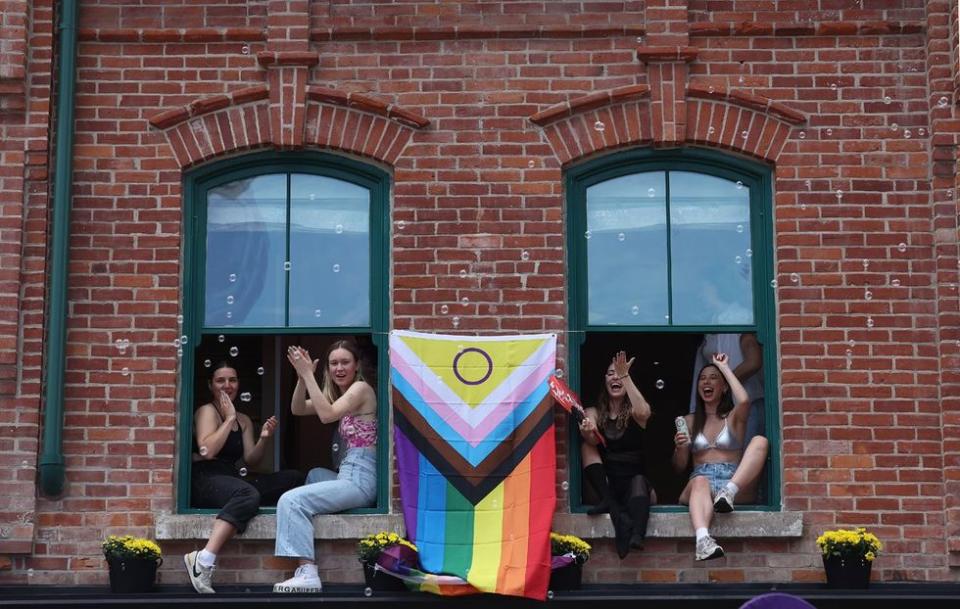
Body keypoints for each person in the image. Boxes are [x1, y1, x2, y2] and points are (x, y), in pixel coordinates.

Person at [184, 363, 305, 594]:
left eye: (233, 380)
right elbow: (207, 451)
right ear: (211, 384)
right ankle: (203, 560)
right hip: (205, 478)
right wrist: (228, 419)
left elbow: (251, 461)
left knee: (294, 478)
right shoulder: (207, 411)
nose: (227, 385)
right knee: (248, 493)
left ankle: (247, 507)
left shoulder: (244, 419)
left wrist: (264, 438)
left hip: (231, 480)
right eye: (220, 380)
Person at [272, 339, 378, 593]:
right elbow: (297, 409)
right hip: (347, 474)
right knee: (314, 475)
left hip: (360, 478)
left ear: (356, 366)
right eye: (333, 363)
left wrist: (309, 374)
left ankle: (308, 571)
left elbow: (327, 414)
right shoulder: (341, 395)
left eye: (345, 362)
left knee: (291, 501)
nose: (339, 368)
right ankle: (307, 526)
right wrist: (301, 377)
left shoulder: (361, 389)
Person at [673, 353, 769, 561]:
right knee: (699, 480)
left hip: (734, 484)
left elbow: (744, 399)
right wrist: (680, 448)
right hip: (701, 487)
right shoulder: (688, 421)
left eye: (713, 378)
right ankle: (703, 541)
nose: (706, 382)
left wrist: (724, 367)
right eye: (702, 378)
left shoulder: (734, 417)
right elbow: (679, 468)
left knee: (760, 441)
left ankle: (728, 492)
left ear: (724, 387)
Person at [579, 351, 654, 559]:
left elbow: (644, 412)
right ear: (604, 380)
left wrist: (625, 376)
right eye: (611, 373)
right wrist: (587, 428)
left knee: (639, 481)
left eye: (619, 374)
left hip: (635, 487)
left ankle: (637, 535)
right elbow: (591, 437)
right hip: (607, 486)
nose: (615, 377)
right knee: (586, 446)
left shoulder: (635, 413)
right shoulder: (594, 410)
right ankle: (610, 502)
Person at [689, 333, 765, 446]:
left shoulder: (739, 324)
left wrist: (723, 381)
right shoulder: (707, 333)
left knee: (745, 449)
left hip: (747, 402)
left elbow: (753, 362)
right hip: (718, 406)